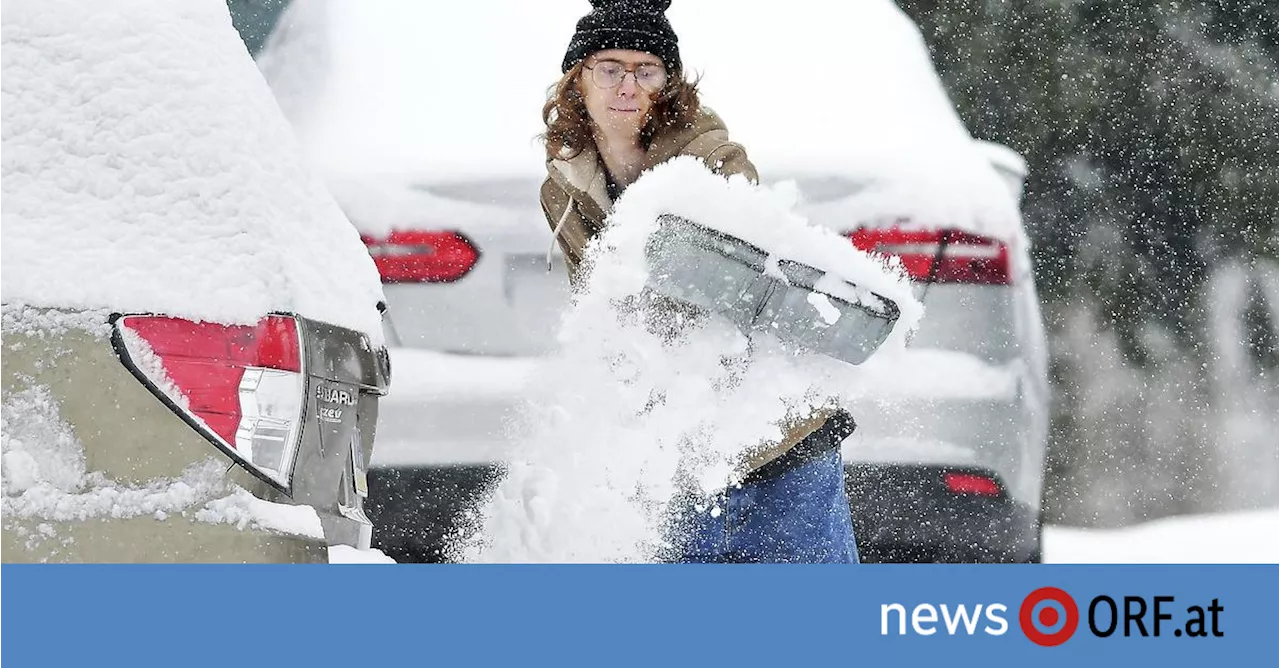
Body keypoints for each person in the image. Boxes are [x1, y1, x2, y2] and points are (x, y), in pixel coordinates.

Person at [539, 0, 859, 563]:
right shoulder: (563, 190)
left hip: (778, 449)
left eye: (648, 70)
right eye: (610, 68)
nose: (628, 86)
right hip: (673, 461)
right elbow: (598, 322)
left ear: (670, 83)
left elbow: (739, 296)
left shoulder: (711, 162)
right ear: (577, 80)